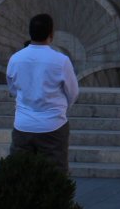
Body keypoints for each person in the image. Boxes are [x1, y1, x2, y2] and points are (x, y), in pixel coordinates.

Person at [6, 13, 79, 173]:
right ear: (51, 34)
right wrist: (60, 109)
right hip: (53, 124)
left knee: (20, 174)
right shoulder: (61, 60)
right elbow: (73, 92)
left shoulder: (15, 59)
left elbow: (12, 88)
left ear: (30, 32)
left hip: (23, 124)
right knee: (54, 175)